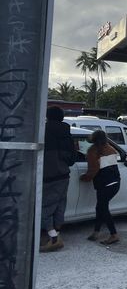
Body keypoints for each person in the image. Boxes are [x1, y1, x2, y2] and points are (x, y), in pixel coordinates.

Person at [40, 106, 76, 252]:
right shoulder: (68, 135)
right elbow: (72, 159)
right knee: (60, 206)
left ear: (48, 116)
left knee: (44, 208)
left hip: (48, 176)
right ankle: (56, 235)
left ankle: (53, 238)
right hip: (64, 176)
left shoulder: (43, 131)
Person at [80, 130, 121, 245]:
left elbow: (93, 170)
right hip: (115, 183)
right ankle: (96, 232)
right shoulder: (111, 149)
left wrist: (84, 178)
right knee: (100, 207)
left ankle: (114, 234)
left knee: (103, 208)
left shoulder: (93, 151)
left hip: (104, 185)